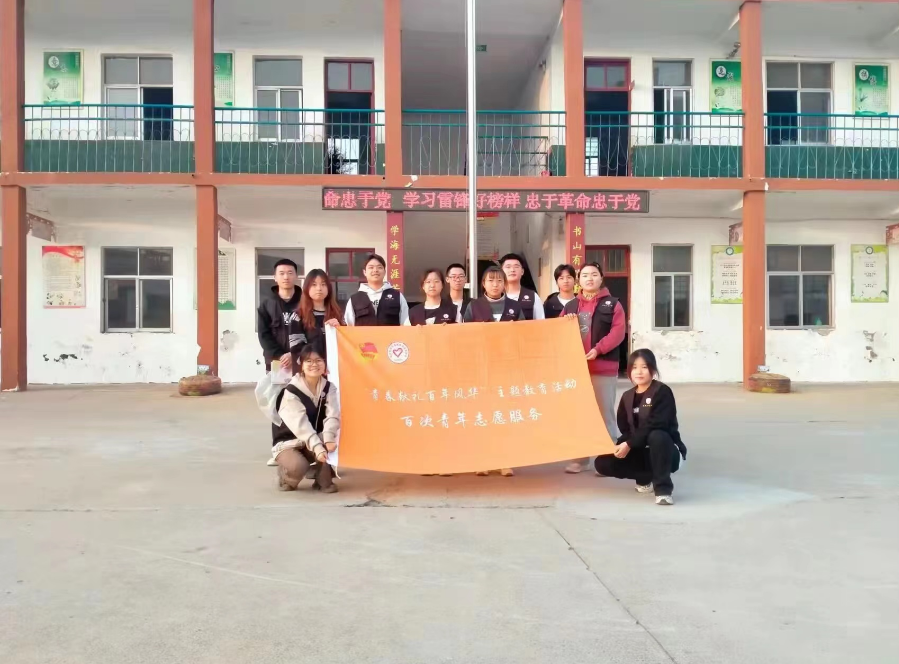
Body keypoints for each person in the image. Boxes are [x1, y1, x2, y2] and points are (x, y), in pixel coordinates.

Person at [595, 349, 687, 506]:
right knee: (602, 463)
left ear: (653, 370)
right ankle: (644, 478)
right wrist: (618, 447)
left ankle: (663, 490)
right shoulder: (627, 397)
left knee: (657, 435)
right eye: (634, 367)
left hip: (666, 451)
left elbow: (658, 423)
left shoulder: (662, 392)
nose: (639, 372)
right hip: (640, 449)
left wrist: (630, 443)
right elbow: (626, 430)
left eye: (644, 367)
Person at [564, 261, 626, 474]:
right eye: (585, 275)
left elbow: (618, 333)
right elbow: (559, 333)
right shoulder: (570, 306)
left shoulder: (613, 304)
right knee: (579, 414)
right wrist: (566, 322)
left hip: (603, 368)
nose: (589, 278)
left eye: (594, 274)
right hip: (576, 370)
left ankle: (607, 461)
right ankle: (580, 459)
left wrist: (598, 349)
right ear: (578, 281)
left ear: (601, 278)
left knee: (604, 414)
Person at [464, 265, 521, 477]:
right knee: (483, 413)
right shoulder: (474, 306)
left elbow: (524, 334)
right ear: (483, 284)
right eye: (490, 280)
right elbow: (464, 336)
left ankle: (504, 460)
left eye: (499, 280)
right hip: (481, 367)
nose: (495, 284)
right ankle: (483, 459)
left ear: (504, 284)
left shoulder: (515, 307)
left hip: (506, 368)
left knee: (503, 413)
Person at [271, 344, 340, 494]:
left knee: (332, 439)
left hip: (313, 439)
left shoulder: (329, 387)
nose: (314, 364)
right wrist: (318, 448)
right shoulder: (291, 391)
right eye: (308, 361)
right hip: (289, 441)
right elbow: (301, 425)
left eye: (319, 360)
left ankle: (322, 481)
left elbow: (333, 415)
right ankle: (285, 477)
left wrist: (328, 438)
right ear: (301, 365)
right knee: (299, 466)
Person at [257, 258, 303, 374]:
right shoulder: (266, 304)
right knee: (276, 386)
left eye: (290, 273)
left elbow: (311, 332)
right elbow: (264, 334)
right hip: (276, 360)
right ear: (275, 277)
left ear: (296, 276)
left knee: (302, 386)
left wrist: (294, 354)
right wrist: (280, 355)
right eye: (281, 273)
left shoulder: (306, 302)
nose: (286, 277)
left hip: (302, 360)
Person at [344, 253, 410, 326]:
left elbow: (406, 324)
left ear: (384, 272)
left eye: (379, 267)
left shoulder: (397, 296)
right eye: (371, 267)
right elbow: (348, 327)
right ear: (364, 272)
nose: (375, 270)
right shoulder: (354, 299)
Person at [298, 268, 344, 358]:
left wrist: (340, 329)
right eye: (314, 285)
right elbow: (296, 349)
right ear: (306, 288)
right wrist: (317, 362)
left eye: (323, 284)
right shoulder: (299, 315)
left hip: (334, 364)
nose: (319, 288)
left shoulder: (338, 314)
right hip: (311, 365)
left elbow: (346, 345)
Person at [499, 253, 545, 320]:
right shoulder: (495, 296)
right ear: (501, 271)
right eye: (508, 267)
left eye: (516, 266)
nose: (512, 270)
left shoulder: (533, 296)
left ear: (522, 271)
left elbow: (541, 322)